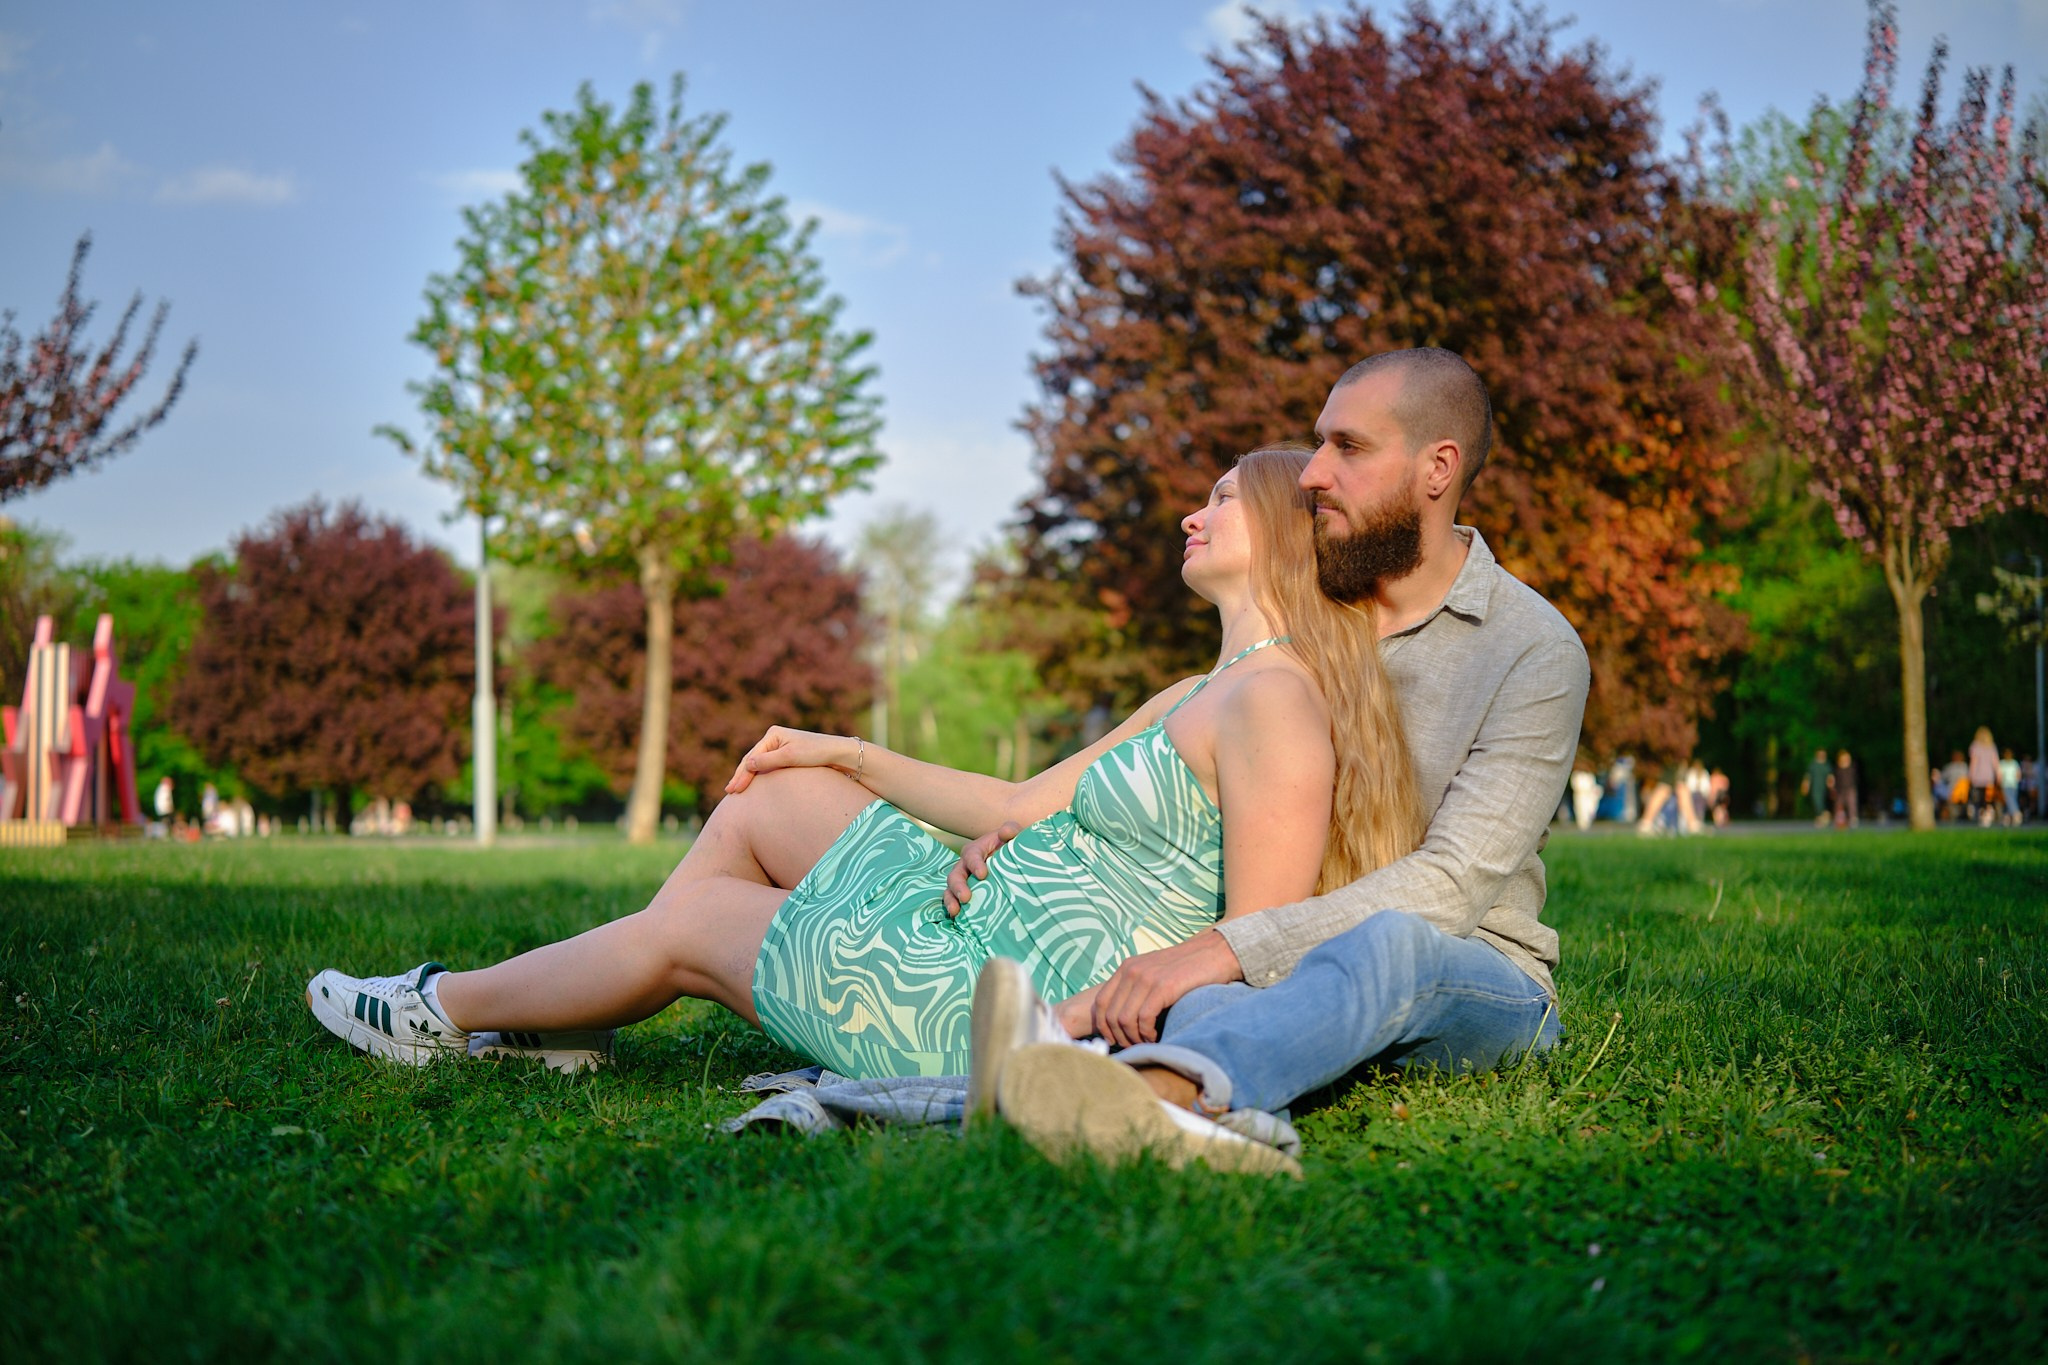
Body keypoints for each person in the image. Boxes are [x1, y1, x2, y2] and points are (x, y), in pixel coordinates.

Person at [304, 447, 1424, 1079]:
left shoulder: (1274, 705)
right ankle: (577, 1010)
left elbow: (1254, 938)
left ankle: (446, 1013)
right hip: (981, 925)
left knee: (694, 927)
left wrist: (1072, 1027)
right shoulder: (1196, 691)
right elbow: (1008, 799)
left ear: (1279, 532)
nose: (1192, 511)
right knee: (778, 790)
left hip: (1004, 1003)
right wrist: (840, 749)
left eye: (1219, 499)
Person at [965, 348, 1591, 1171]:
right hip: (1281, 958)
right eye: (1319, 443)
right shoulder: (1308, 606)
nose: (1313, 472)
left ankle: (1151, 1101)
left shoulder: (1533, 649)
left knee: (1389, 945)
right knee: (1217, 983)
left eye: (1349, 448)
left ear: (1438, 467)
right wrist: (1036, 836)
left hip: (1473, 974)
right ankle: (1182, 1118)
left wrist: (1227, 947)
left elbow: (1452, 886)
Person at [1967, 727, 1999, 826]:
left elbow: (1974, 762)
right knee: (1988, 798)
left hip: (1978, 777)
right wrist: (1998, 774)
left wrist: (1970, 775)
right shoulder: (1991, 746)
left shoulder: (1975, 746)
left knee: (1979, 798)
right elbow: (1995, 762)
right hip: (1989, 776)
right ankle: (1988, 813)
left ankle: (1983, 815)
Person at [1802, 748, 1831, 827]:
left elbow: (1830, 776)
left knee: (1822, 802)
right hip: (1815, 787)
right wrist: (1805, 785)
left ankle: (1822, 818)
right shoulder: (1813, 765)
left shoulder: (1826, 765)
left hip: (1824, 788)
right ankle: (1822, 817)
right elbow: (1808, 776)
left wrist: (1831, 785)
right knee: (1817, 802)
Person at [1831, 749, 1860, 828]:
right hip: (1840, 790)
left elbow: (1855, 778)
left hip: (1850, 788)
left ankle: (1853, 818)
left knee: (1852, 803)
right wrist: (1833, 787)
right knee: (1838, 804)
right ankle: (1838, 819)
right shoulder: (1837, 769)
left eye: (1847, 758)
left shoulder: (1852, 767)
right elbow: (1834, 779)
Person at [1997, 748, 2022, 827]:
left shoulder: (2014, 763)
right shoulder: (2002, 763)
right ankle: (2010, 817)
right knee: (2009, 800)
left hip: (2013, 784)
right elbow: (2000, 775)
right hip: (2005, 784)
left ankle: (2015, 814)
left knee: (2011, 800)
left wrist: (2017, 780)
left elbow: (2018, 773)